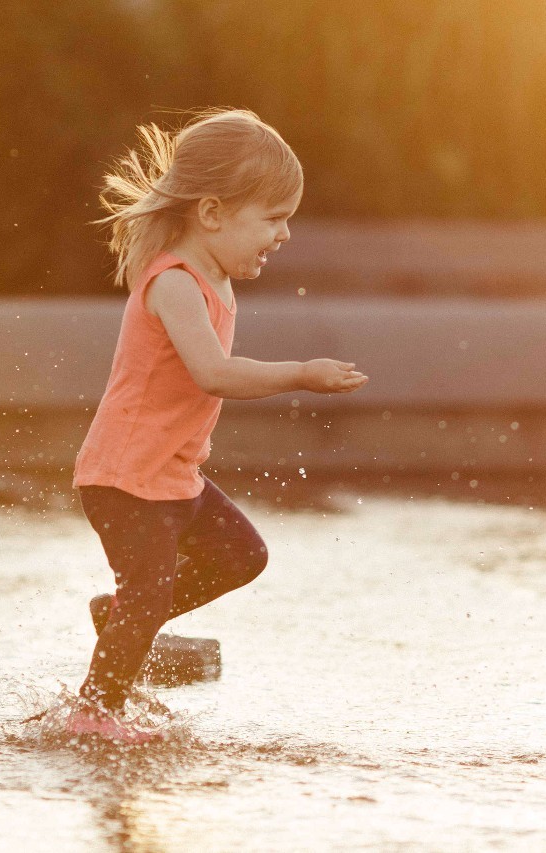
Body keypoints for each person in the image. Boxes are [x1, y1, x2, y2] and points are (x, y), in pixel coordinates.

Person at [66, 109, 369, 744]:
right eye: (272, 218)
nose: (283, 234)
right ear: (211, 213)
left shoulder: (217, 279)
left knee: (241, 555)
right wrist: (301, 373)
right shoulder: (175, 283)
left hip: (172, 475)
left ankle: (121, 618)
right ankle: (94, 714)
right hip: (125, 477)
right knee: (148, 593)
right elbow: (213, 373)